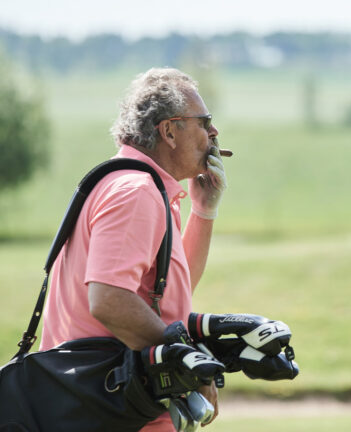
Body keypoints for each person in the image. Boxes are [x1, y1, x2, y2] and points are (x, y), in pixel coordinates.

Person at [39, 68, 226, 431]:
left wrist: (204, 210)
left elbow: (171, 291)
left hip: (102, 405)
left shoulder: (137, 184)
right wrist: (187, 362)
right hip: (112, 409)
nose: (214, 133)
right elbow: (109, 299)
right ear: (169, 131)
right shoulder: (137, 191)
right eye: (204, 121)